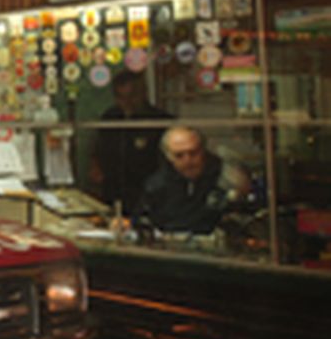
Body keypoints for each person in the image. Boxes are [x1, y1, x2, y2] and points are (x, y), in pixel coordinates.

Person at [137, 126, 251, 236]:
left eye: (193, 153)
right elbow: (144, 221)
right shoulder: (156, 185)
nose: (188, 160)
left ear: (203, 151)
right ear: (168, 157)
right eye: (179, 155)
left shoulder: (226, 178)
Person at [89, 71, 172, 216]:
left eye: (132, 96)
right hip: (113, 189)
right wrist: (96, 167)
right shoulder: (110, 118)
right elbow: (98, 148)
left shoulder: (160, 121)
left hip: (147, 191)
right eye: (121, 97)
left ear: (143, 93)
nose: (127, 102)